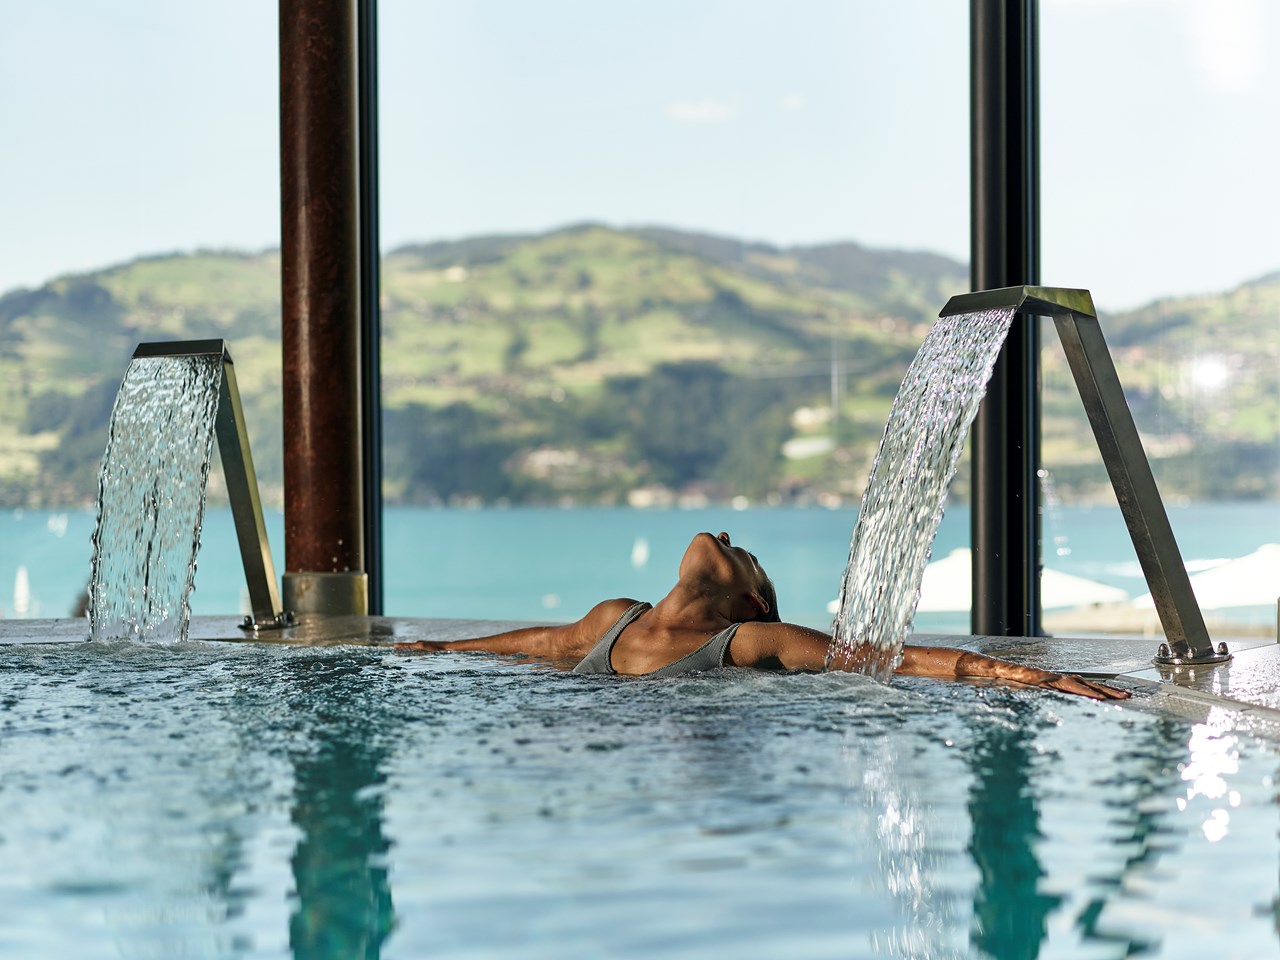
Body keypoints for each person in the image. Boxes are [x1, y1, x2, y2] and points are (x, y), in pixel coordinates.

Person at [396, 531, 1130, 701]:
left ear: (751, 598)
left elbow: (879, 659)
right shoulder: (615, 615)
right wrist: (438, 648)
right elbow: (545, 643)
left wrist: (1016, 672)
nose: (721, 533)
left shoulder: (749, 640)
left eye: (740, 549)